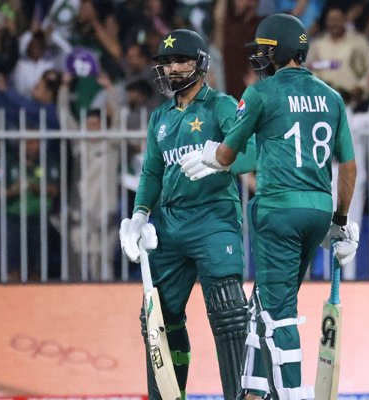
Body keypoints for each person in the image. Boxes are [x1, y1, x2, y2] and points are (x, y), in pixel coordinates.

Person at [180, 13, 359, 400]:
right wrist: (341, 220)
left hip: (279, 211)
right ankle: (254, 390)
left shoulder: (261, 93)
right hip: (318, 210)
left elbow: (229, 152)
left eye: (262, 50)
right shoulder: (332, 97)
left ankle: (292, 394)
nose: (257, 57)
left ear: (274, 52)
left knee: (279, 314)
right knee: (266, 300)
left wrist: (213, 154)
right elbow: (348, 167)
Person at [118, 29, 255, 399]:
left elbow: (252, 153)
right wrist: (140, 215)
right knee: (157, 319)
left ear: (201, 62)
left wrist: (219, 160)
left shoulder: (222, 106)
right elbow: (151, 172)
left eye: (182, 60)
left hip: (214, 220)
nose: (174, 68)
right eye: (166, 62)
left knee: (228, 313)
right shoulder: (160, 117)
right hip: (170, 222)